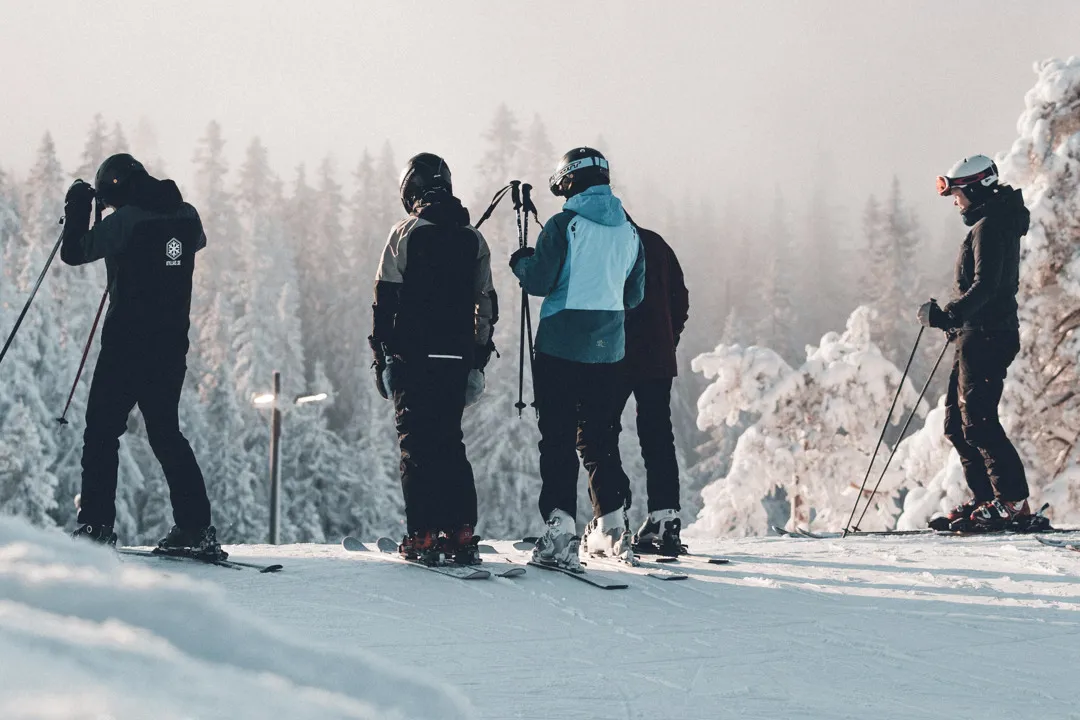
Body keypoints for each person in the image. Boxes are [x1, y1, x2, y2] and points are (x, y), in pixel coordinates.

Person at [62, 153, 223, 559]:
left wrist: (78, 208)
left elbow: (75, 251)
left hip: (126, 344)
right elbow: (194, 243)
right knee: (166, 434)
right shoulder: (188, 215)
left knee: (102, 432)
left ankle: (96, 526)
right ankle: (195, 527)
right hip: (170, 345)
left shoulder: (127, 220)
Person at [511, 147, 645, 569]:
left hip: (560, 348)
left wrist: (521, 263)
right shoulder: (630, 230)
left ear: (568, 180)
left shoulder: (563, 224)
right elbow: (634, 295)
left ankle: (560, 530)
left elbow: (538, 281)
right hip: (610, 351)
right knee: (601, 437)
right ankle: (611, 526)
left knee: (557, 438)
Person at [370, 152, 496, 565]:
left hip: (413, 356)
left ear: (411, 189)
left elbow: (384, 299)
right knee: (449, 441)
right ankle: (460, 531)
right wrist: (477, 358)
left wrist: (381, 355)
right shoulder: (473, 238)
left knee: (416, 445)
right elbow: (486, 303)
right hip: (456, 357)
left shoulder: (404, 232)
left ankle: (422, 534)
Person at [920, 154, 1032, 532]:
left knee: (979, 423)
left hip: (988, 334)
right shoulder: (992, 222)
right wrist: (956, 320)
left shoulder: (991, 225)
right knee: (957, 424)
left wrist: (948, 315)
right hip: (977, 333)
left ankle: (1012, 503)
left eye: (958, 194)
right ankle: (986, 499)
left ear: (975, 190)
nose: (956, 202)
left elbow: (988, 285)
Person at [614, 218, 689, 556]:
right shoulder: (655, 243)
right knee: (658, 434)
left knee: (601, 433)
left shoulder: (604, 241)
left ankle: (614, 514)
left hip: (612, 354)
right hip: (657, 356)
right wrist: (668, 338)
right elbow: (680, 299)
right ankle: (665, 517)